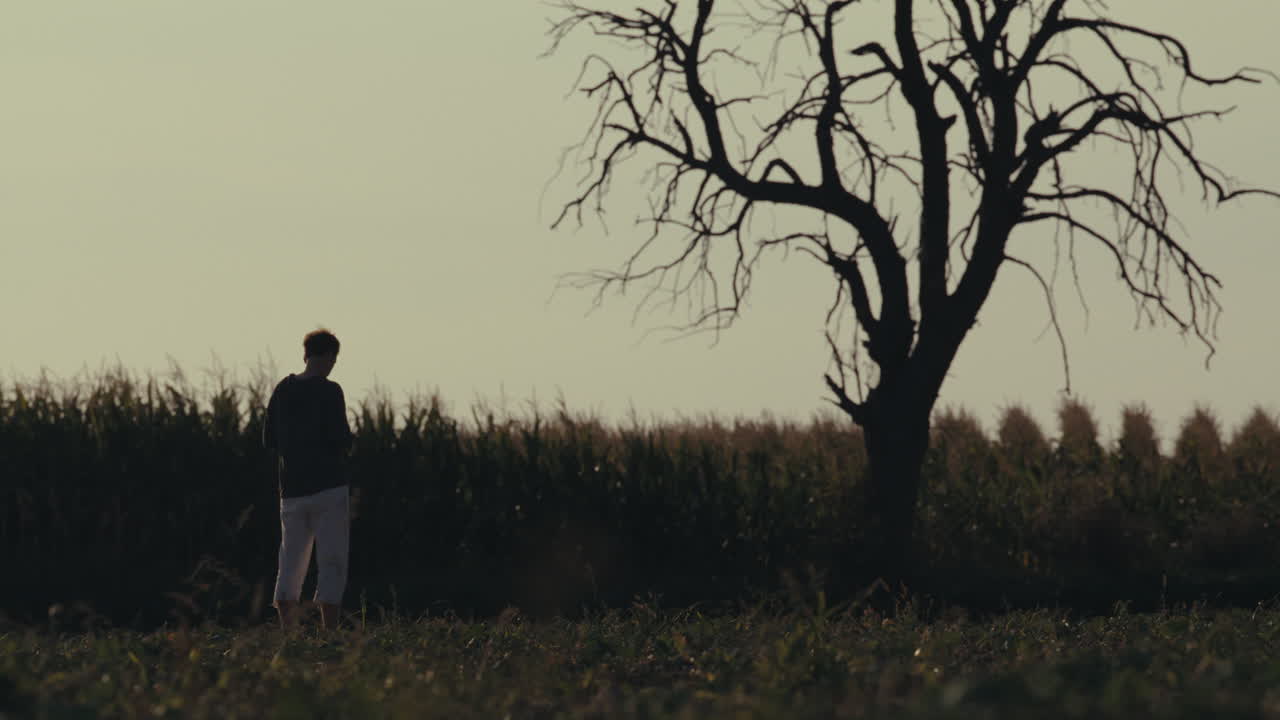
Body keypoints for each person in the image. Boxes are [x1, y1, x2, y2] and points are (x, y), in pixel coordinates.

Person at [263, 328, 354, 629]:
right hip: (329, 488)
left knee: (290, 562)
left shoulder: (282, 390)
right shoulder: (331, 391)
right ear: (329, 356)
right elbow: (341, 439)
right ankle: (330, 632)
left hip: (291, 491)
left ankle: (288, 633)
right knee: (332, 561)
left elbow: (269, 439)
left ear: (305, 354)